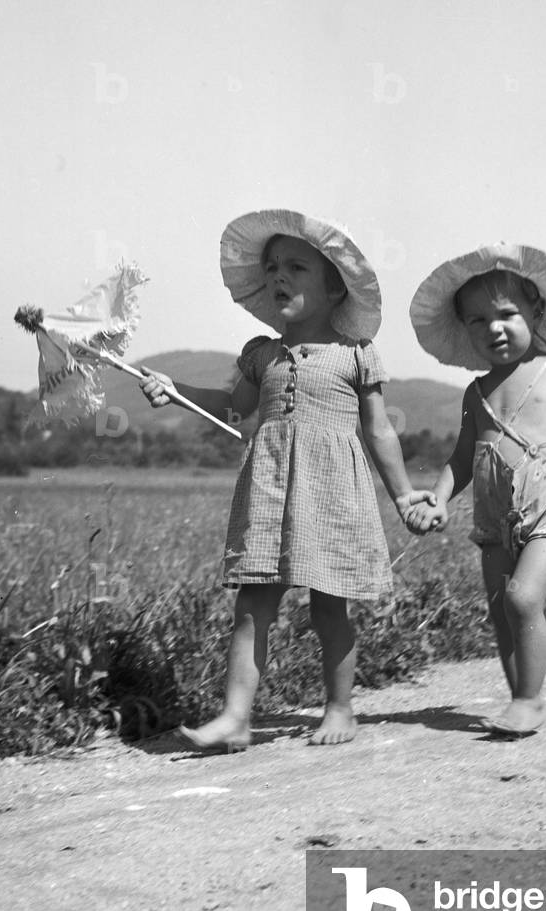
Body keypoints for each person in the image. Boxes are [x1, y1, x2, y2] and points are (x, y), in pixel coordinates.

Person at [140, 209, 436, 753]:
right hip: (271, 490)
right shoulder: (261, 355)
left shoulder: (355, 354)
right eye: (273, 266)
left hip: (332, 493)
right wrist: (173, 386)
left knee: (329, 606)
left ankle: (341, 706)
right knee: (253, 604)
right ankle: (235, 718)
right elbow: (234, 406)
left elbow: (379, 432)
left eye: (296, 267)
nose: (279, 276)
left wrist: (402, 495)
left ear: (332, 287)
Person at [405, 244, 546, 736]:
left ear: (536, 312)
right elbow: (462, 457)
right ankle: (518, 700)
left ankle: (531, 700)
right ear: (465, 330)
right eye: (477, 320)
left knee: (522, 598)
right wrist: (439, 497)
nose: (494, 328)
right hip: (495, 518)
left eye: (507, 314)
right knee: (501, 609)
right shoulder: (476, 391)